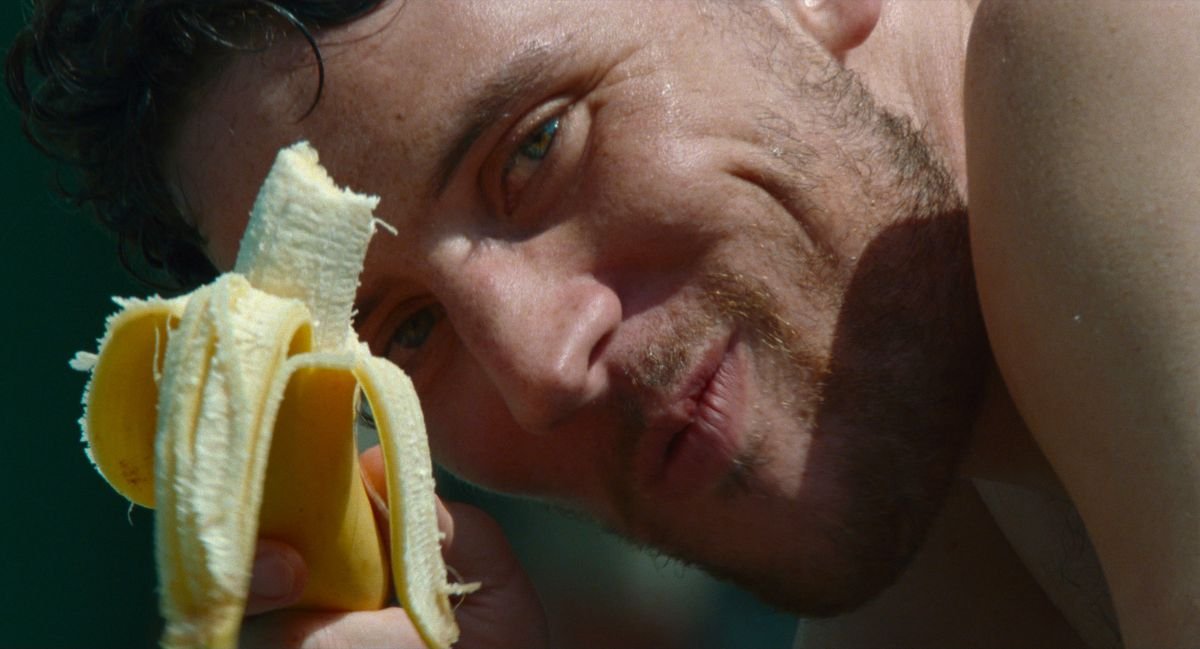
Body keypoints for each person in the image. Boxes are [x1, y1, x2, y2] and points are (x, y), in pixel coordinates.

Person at [9, 0, 1199, 646]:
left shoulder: (1114, 42)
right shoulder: (935, 508)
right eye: (405, 331)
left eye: (538, 146)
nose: (536, 370)